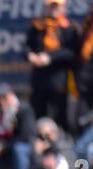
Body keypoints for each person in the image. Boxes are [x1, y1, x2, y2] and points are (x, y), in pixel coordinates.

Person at [27, 0, 79, 132]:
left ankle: (60, 148)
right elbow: (26, 46)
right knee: (38, 116)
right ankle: (40, 148)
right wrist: (30, 56)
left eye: (57, 6)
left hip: (59, 82)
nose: (53, 9)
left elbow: (72, 52)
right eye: (51, 6)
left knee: (59, 118)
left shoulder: (69, 27)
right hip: (39, 81)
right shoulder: (37, 26)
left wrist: (50, 58)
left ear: (63, 7)